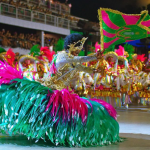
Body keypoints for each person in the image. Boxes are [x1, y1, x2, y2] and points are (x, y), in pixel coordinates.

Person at [0, 33, 121, 147]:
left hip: (60, 92)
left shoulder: (71, 58)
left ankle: (55, 134)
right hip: (49, 90)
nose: (80, 49)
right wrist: (94, 56)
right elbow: (77, 61)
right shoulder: (63, 56)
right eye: (79, 46)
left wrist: (95, 70)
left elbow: (80, 66)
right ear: (72, 45)